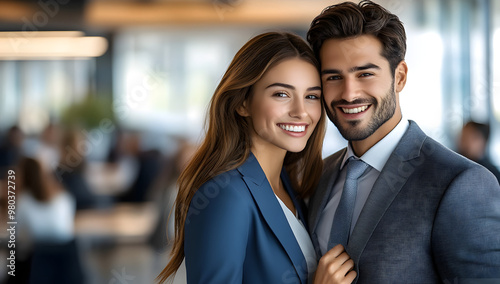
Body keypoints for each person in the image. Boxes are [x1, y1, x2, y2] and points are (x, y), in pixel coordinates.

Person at [306, 1, 500, 283]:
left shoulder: (462, 183)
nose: (349, 94)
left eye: (365, 74)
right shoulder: (319, 175)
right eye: (334, 77)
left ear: (399, 77)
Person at [157, 31, 356, 284]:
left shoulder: (289, 186)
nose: (300, 112)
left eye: (311, 96)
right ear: (242, 103)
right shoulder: (226, 195)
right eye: (281, 94)